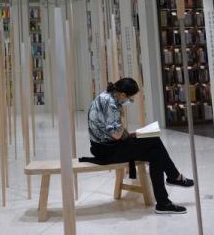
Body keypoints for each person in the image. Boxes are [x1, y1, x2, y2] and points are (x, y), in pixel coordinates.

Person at [82, 77, 193, 214]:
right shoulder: (112, 105)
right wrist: (122, 117)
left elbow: (110, 131)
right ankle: (174, 177)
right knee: (154, 140)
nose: (131, 101)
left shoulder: (105, 96)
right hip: (107, 151)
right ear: (123, 95)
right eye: (131, 98)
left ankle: (163, 202)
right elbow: (116, 134)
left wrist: (130, 135)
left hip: (103, 147)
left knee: (155, 153)